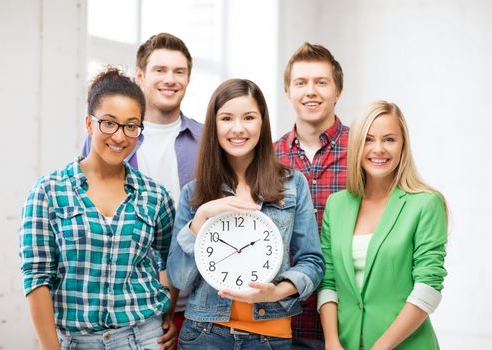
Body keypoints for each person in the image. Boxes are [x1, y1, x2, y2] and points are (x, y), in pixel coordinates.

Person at [20, 68, 177, 349]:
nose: (120, 136)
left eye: (131, 125)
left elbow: (170, 261)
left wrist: (166, 315)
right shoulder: (48, 191)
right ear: (89, 123)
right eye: (109, 123)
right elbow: (37, 277)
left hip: (144, 337)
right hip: (76, 341)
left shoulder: (155, 195)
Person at [166, 79, 324, 349]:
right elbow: (178, 279)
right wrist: (201, 217)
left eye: (248, 118)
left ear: (262, 123)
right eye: (226, 118)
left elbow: (313, 262)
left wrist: (277, 292)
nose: (238, 128)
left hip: (271, 337)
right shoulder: (195, 192)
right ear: (214, 125)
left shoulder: (292, 184)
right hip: (204, 335)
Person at [81, 32, 202, 337]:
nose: (170, 80)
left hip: (196, 305)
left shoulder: (207, 140)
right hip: (125, 304)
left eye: (179, 71)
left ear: (188, 78)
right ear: (140, 75)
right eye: (160, 70)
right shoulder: (107, 139)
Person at [318, 100, 448, 349]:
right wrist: (332, 341)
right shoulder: (336, 205)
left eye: (389, 139)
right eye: (368, 139)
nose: (378, 149)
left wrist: (380, 347)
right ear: (356, 146)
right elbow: (329, 282)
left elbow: (428, 288)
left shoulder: (425, 204)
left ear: (403, 146)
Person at [274, 42, 349, 349]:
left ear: (337, 91)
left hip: (349, 318)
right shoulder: (268, 158)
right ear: (288, 91)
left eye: (321, 82)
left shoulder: (364, 153)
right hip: (284, 319)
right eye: (301, 83)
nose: (311, 91)